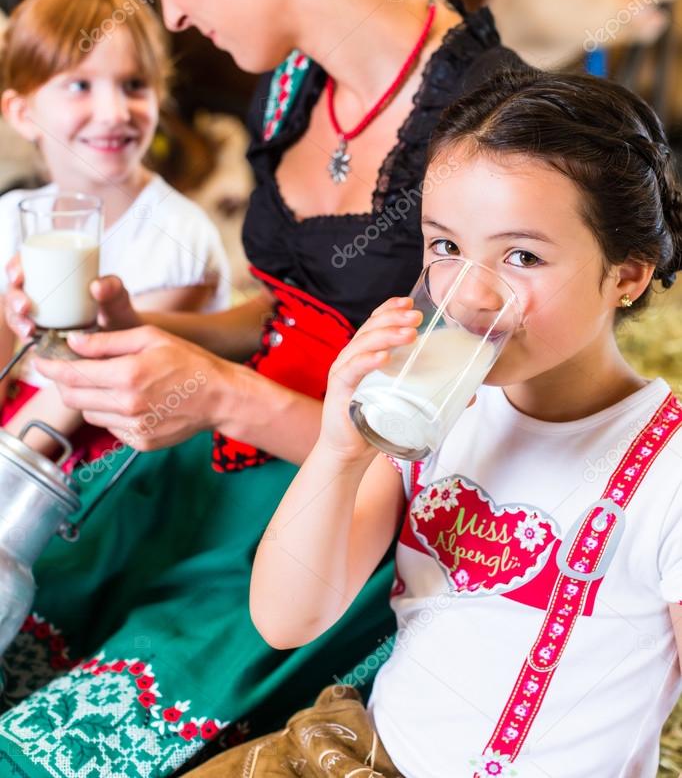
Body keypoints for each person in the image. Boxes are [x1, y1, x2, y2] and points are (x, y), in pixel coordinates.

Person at [0, 0, 523, 775]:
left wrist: (222, 395)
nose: (177, 16)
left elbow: (437, 459)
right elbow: (288, 313)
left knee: (40, 748)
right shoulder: (287, 87)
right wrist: (147, 329)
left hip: (328, 530)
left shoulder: (487, 134)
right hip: (217, 464)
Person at [186, 67, 682, 778]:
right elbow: (285, 618)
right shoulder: (436, 414)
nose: (471, 293)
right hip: (354, 755)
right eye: (445, 247)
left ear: (627, 275)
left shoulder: (668, 474)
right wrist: (338, 448)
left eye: (522, 255)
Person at [0, 0, 230, 461]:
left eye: (134, 85)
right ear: (22, 113)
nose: (113, 111)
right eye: (80, 85)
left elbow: (87, 384)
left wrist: (7, 465)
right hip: (26, 418)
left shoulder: (181, 236)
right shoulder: (13, 215)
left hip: (122, 445)